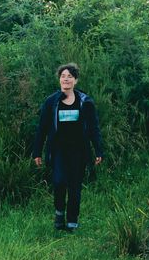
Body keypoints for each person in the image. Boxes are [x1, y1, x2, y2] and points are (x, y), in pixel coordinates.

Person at [32, 63, 103, 232]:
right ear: (59, 80)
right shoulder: (51, 102)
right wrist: (37, 151)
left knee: (75, 186)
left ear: (75, 80)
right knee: (58, 182)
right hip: (57, 151)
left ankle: (72, 220)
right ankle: (59, 213)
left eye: (70, 76)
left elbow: (94, 128)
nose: (66, 79)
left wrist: (98, 150)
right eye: (63, 76)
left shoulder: (85, 102)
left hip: (79, 151)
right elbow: (42, 128)